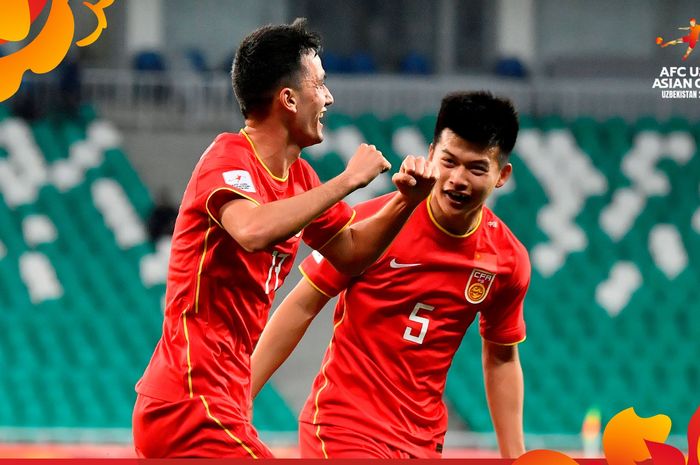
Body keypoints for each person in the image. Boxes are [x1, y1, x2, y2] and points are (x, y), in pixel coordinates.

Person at [132, 18, 438, 458]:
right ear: (289, 98)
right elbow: (252, 230)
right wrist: (348, 180)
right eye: (320, 83)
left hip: (226, 402)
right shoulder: (228, 156)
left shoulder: (299, 178)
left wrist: (405, 202)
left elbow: (350, 253)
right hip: (188, 400)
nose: (329, 97)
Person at [251, 91, 529, 459]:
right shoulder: (375, 225)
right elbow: (302, 304)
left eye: (476, 168)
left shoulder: (507, 260)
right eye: (449, 161)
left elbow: (502, 358)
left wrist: (517, 457)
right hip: (344, 429)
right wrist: (241, 398)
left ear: (501, 175)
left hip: (423, 443)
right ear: (431, 153)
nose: (458, 179)